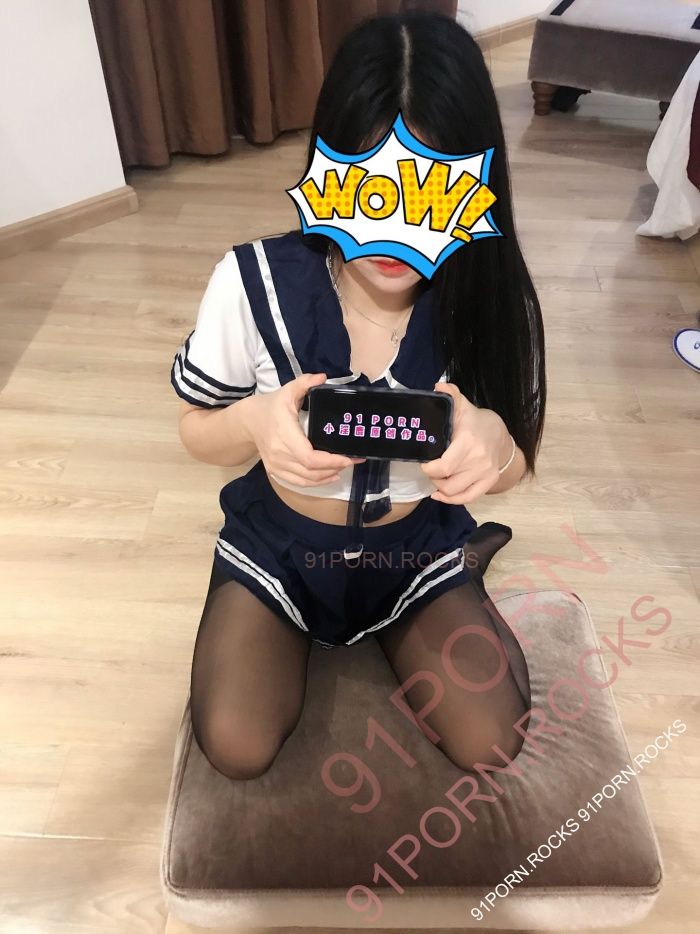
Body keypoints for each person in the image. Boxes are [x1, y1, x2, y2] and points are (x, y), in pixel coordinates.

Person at [170, 10, 546, 782]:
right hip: (283, 548)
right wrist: (252, 422)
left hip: (412, 548)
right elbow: (195, 428)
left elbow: (514, 467)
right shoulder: (251, 282)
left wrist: (495, 442)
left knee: (492, 742)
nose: (393, 230)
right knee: (236, 743)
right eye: (373, 190)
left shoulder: (489, 297)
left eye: (428, 192)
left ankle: (461, 564)